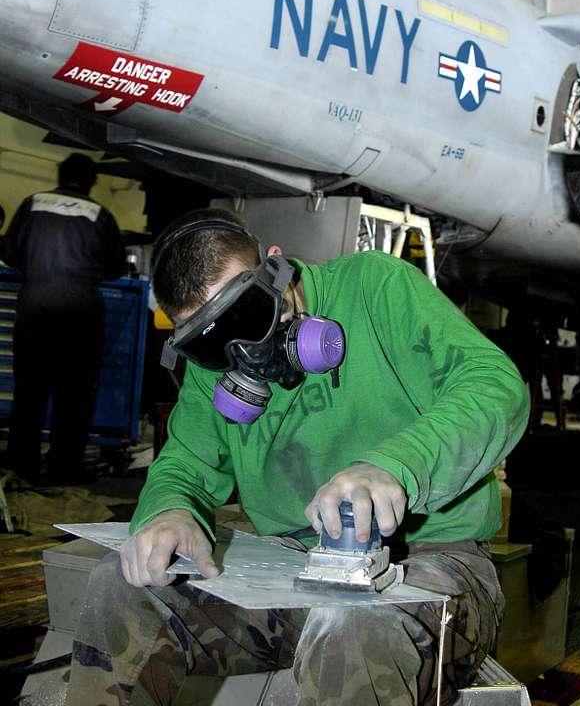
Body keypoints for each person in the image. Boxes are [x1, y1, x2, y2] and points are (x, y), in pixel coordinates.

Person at [67, 207, 529, 706]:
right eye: (211, 343)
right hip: (290, 571)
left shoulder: (377, 288)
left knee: (353, 628)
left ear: (275, 266)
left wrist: (396, 465)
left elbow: (495, 385)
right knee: (123, 587)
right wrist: (169, 509)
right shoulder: (217, 369)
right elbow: (184, 465)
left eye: (246, 315)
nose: (242, 352)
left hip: (432, 562)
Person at [3, 153, 125, 483]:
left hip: (34, 309)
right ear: (92, 181)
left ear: (59, 175)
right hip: (80, 315)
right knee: (74, 395)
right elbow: (116, 267)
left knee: (29, 392)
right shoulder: (100, 215)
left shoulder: (32, 204)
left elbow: (10, 253)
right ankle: (63, 468)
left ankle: (22, 465)